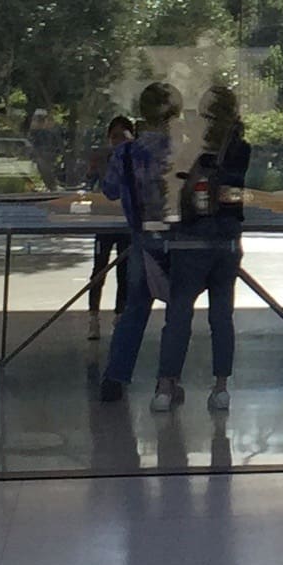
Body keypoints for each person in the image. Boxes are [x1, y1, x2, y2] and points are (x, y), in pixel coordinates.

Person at [151, 78, 252, 410]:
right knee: (222, 315)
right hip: (226, 237)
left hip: (192, 237)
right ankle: (221, 387)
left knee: (179, 311)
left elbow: (173, 182)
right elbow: (235, 192)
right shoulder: (240, 147)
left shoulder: (190, 143)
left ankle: (166, 387)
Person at [95, 83, 184, 401]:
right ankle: (167, 381)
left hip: (142, 238)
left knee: (134, 310)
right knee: (177, 311)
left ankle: (115, 377)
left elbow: (111, 191)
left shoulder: (126, 153)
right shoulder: (184, 150)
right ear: (174, 113)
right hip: (179, 239)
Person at [83, 113, 135, 338]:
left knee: (124, 271)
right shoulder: (102, 158)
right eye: (114, 137)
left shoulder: (135, 158)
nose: (117, 142)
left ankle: (120, 315)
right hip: (104, 220)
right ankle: (93, 316)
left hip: (125, 220)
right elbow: (91, 185)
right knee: (99, 269)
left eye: (122, 137)